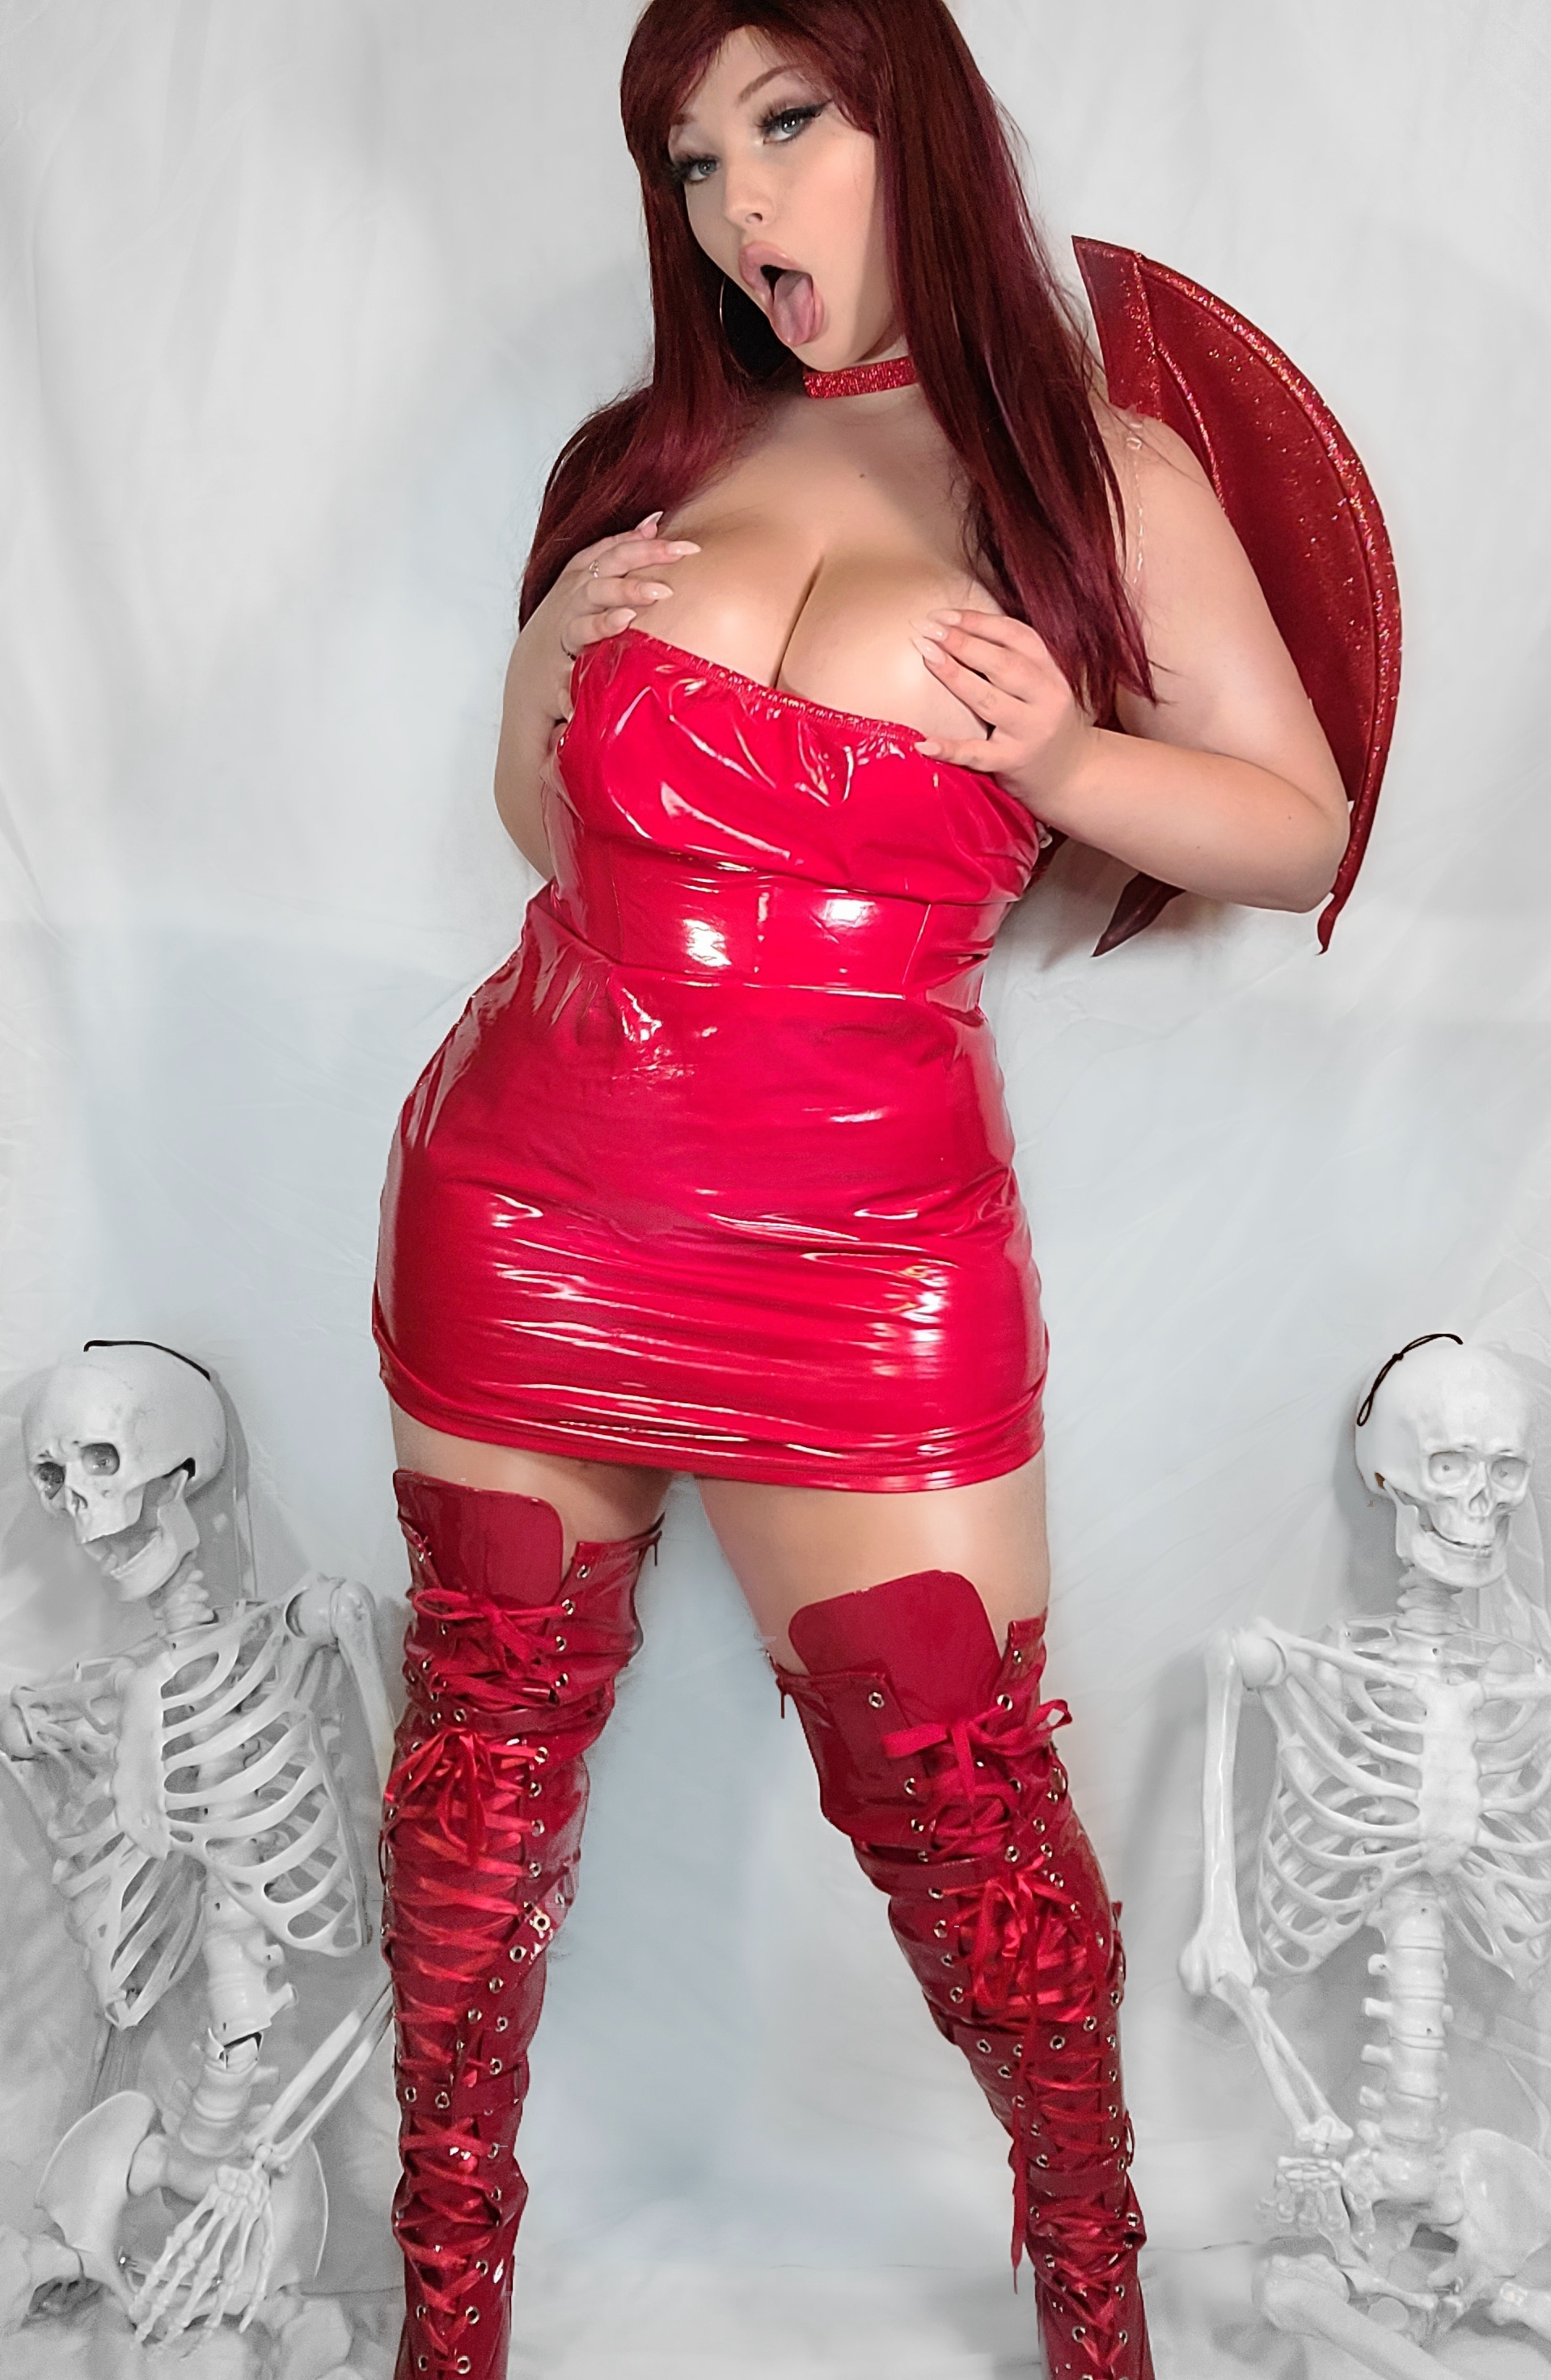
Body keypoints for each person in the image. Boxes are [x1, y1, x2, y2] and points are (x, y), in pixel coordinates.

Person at [370, 4, 1350, 2376]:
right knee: (476, 1798)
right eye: (692, 161)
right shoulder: (666, 459)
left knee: (967, 1816)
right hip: (528, 1205)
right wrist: (539, 664)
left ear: (915, 119)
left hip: (865, 1254)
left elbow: (1296, 825)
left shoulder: (1100, 474)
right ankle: (444, 2310)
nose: (740, 205)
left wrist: (1073, 755)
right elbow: (550, 833)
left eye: (785, 125)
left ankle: (1097, 2301)